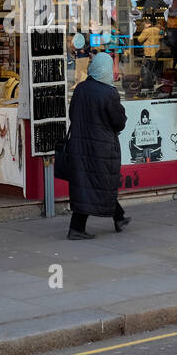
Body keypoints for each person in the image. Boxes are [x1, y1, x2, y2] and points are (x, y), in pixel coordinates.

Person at [65, 52, 129, 238]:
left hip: (80, 146)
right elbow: (119, 122)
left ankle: (119, 217)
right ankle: (77, 229)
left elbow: (72, 114)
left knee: (87, 184)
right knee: (103, 182)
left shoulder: (80, 88)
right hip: (101, 147)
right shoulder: (109, 93)